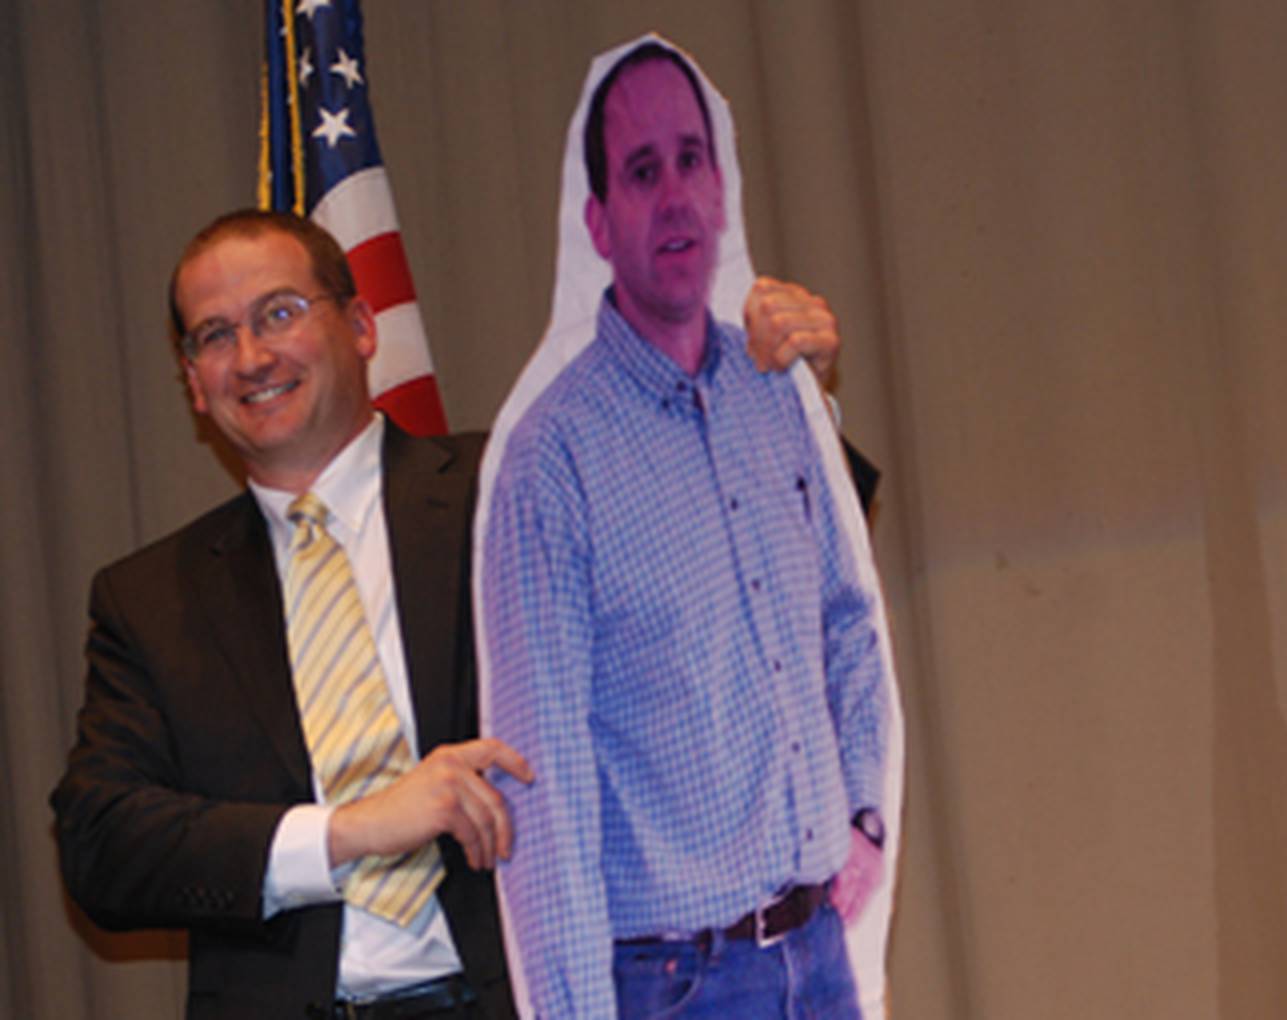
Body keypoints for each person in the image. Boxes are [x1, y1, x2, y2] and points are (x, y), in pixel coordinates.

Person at [50, 206, 863, 1020]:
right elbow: (102, 845)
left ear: (363, 325)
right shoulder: (151, 599)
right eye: (214, 336)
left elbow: (737, 556)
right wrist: (351, 830)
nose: (252, 356)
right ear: (192, 381)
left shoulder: (518, 481)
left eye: (280, 314)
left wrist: (781, 399)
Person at [479, 40, 898, 1019]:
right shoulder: (554, 459)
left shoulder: (774, 395)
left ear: (721, 188)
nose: (672, 195)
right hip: (676, 988)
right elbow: (548, 800)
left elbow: (846, 617)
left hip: (818, 958)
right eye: (640, 171)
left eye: (690, 160)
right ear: (598, 220)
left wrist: (864, 812)